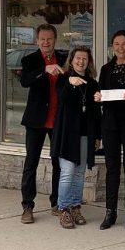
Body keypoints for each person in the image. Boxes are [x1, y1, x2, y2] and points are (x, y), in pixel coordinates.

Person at [19, 24, 66, 224]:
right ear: (37, 41)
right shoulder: (29, 60)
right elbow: (25, 81)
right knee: (31, 163)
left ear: (55, 40)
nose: (46, 43)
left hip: (58, 119)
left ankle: (56, 202)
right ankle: (27, 206)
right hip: (36, 120)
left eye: (50, 39)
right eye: (42, 39)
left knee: (58, 163)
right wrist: (44, 70)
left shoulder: (65, 58)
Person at [93, 30, 125, 231]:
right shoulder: (106, 68)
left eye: (124, 44)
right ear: (112, 46)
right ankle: (110, 212)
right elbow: (100, 92)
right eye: (116, 44)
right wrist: (98, 97)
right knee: (112, 169)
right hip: (110, 124)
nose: (120, 47)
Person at [51, 46, 101, 229]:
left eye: (84, 59)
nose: (81, 61)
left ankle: (75, 207)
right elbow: (62, 98)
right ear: (72, 61)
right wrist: (71, 83)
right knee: (67, 172)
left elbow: (96, 114)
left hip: (85, 134)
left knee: (80, 174)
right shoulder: (63, 79)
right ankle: (63, 209)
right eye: (78, 58)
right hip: (67, 135)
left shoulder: (93, 83)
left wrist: (97, 136)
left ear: (89, 62)